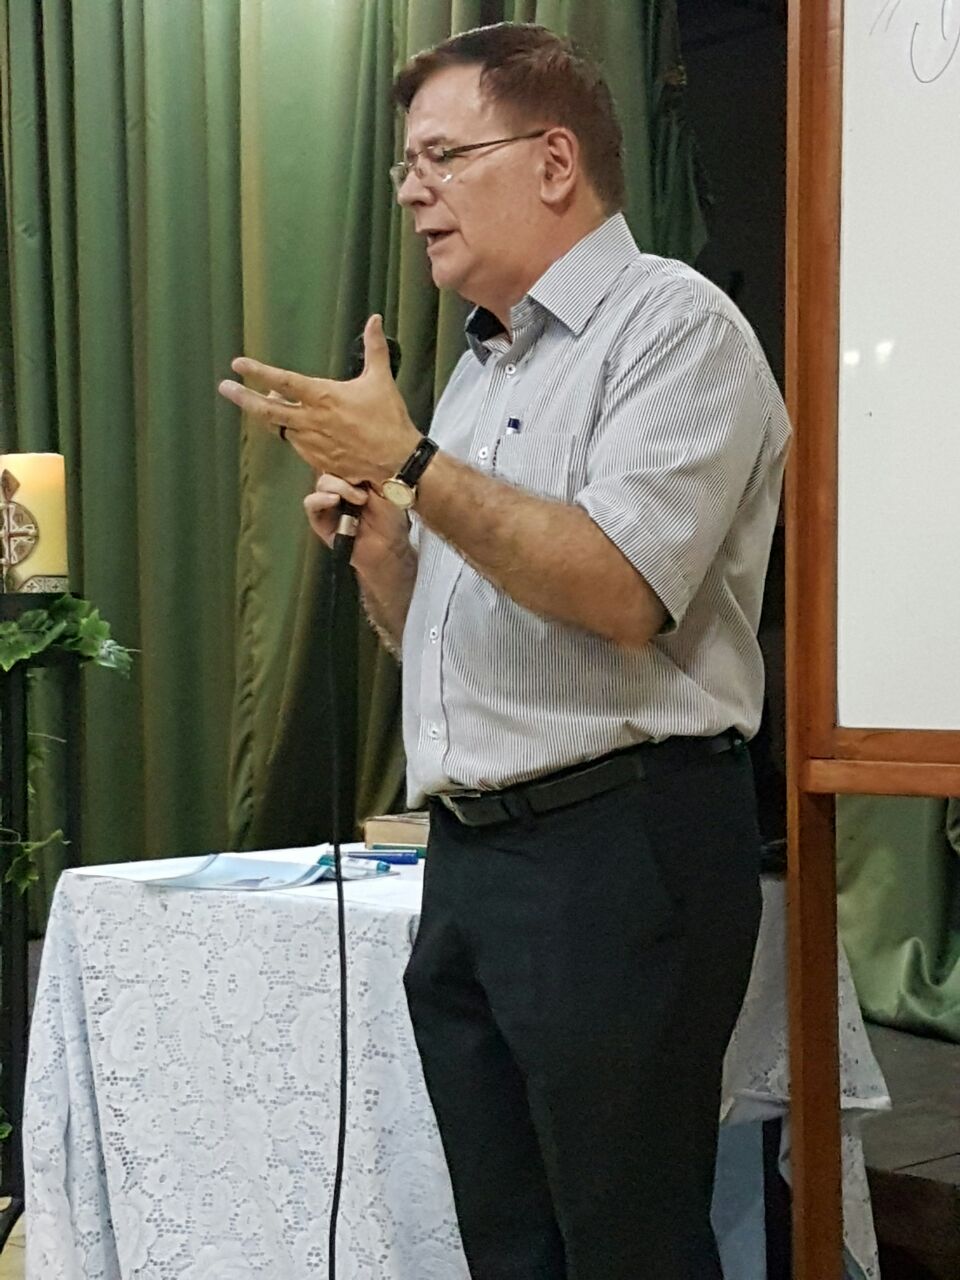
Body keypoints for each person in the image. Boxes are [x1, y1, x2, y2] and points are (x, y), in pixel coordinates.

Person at [218, 22, 790, 1280]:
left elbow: (623, 588)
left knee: (628, 1245)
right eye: (403, 166)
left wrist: (409, 460)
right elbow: (461, 636)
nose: (411, 190)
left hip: (619, 846)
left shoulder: (675, 328)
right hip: (474, 859)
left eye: (441, 156)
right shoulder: (482, 366)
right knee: (508, 1245)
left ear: (554, 160)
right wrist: (386, 554)